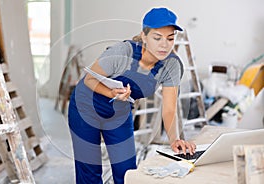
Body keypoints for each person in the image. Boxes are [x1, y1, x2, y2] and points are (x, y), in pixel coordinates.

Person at [68, 7, 196, 184]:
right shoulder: (122, 52)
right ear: (144, 36)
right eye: (157, 38)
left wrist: (174, 140)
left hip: (119, 110)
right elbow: (89, 79)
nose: (164, 45)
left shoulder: (172, 66)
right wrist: (111, 92)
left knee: (127, 171)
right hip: (85, 106)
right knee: (89, 171)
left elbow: (169, 109)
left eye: (170, 38)